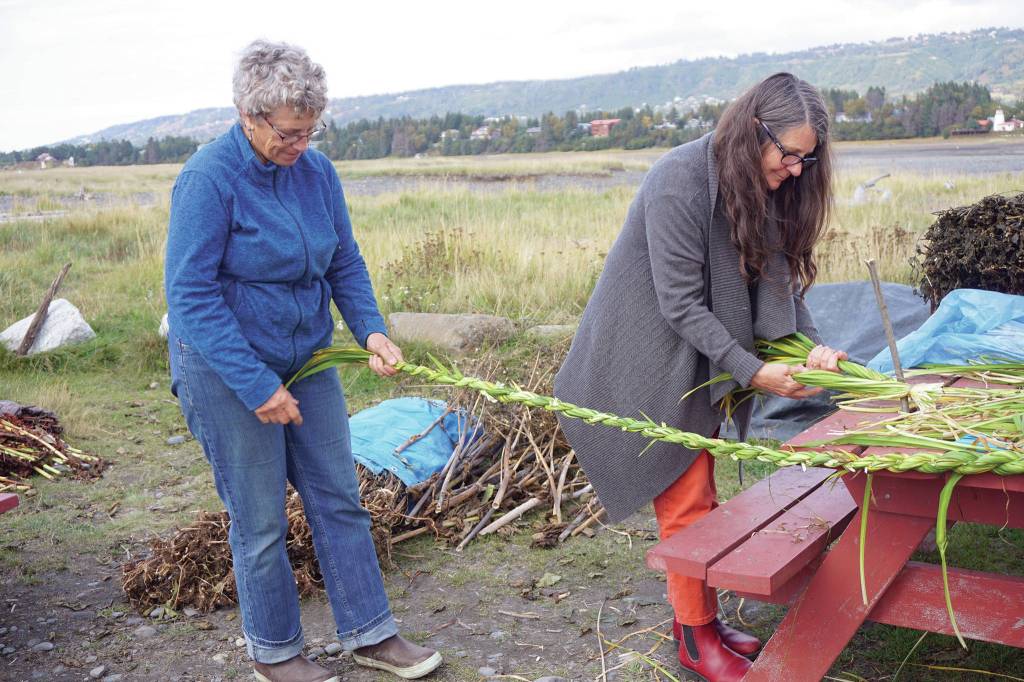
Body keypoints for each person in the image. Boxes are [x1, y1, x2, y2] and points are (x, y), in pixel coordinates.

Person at [553, 73, 847, 682]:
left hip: (696, 357)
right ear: (752, 130)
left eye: (807, 157)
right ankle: (693, 640)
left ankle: (702, 621)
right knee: (685, 500)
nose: (797, 169)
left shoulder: (759, 185)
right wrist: (753, 371)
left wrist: (815, 349)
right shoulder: (679, 181)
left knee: (701, 494)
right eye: (788, 154)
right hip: (644, 357)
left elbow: (780, 281)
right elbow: (681, 303)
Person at [164, 40, 442, 682]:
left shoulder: (316, 173)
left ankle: (372, 635)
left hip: (307, 360)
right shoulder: (208, 179)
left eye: (311, 131)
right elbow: (191, 298)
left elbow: (344, 258)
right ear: (248, 117)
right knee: (259, 516)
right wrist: (259, 386)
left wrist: (370, 330)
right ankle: (276, 654)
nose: (301, 144)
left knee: (338, 497)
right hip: (225, 367)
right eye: (290, 133)